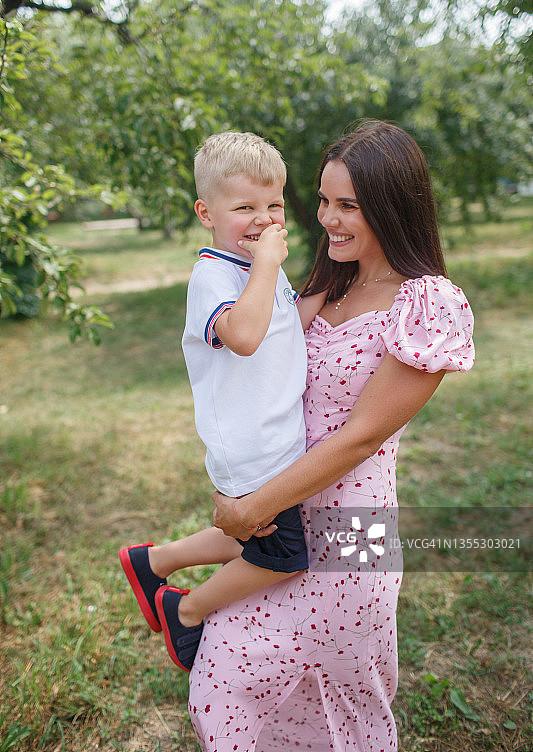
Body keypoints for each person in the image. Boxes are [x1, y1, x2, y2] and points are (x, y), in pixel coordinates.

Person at [189, 120, 475, 752]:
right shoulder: (325, 283)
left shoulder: (425, 302)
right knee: (227, 682)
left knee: (336, 704)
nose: (328, 219)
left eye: (349, 205)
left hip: (352, 533)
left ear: (392, 207)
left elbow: (358, 439)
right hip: (283, 515)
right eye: (323, 201)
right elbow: (249, 364)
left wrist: (250, 509)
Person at [119, 132, 312, 672]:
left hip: (277, 439)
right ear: (206, 212)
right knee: (285, 555)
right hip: (252, 448)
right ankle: (186, 610)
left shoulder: (255, 269)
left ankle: (153, 560)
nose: (262, 218)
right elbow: (246, 336)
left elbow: (284, 324)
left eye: (273, 205)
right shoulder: (213, 275)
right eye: (244, 206)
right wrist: (269, 263)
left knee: (257, 536)